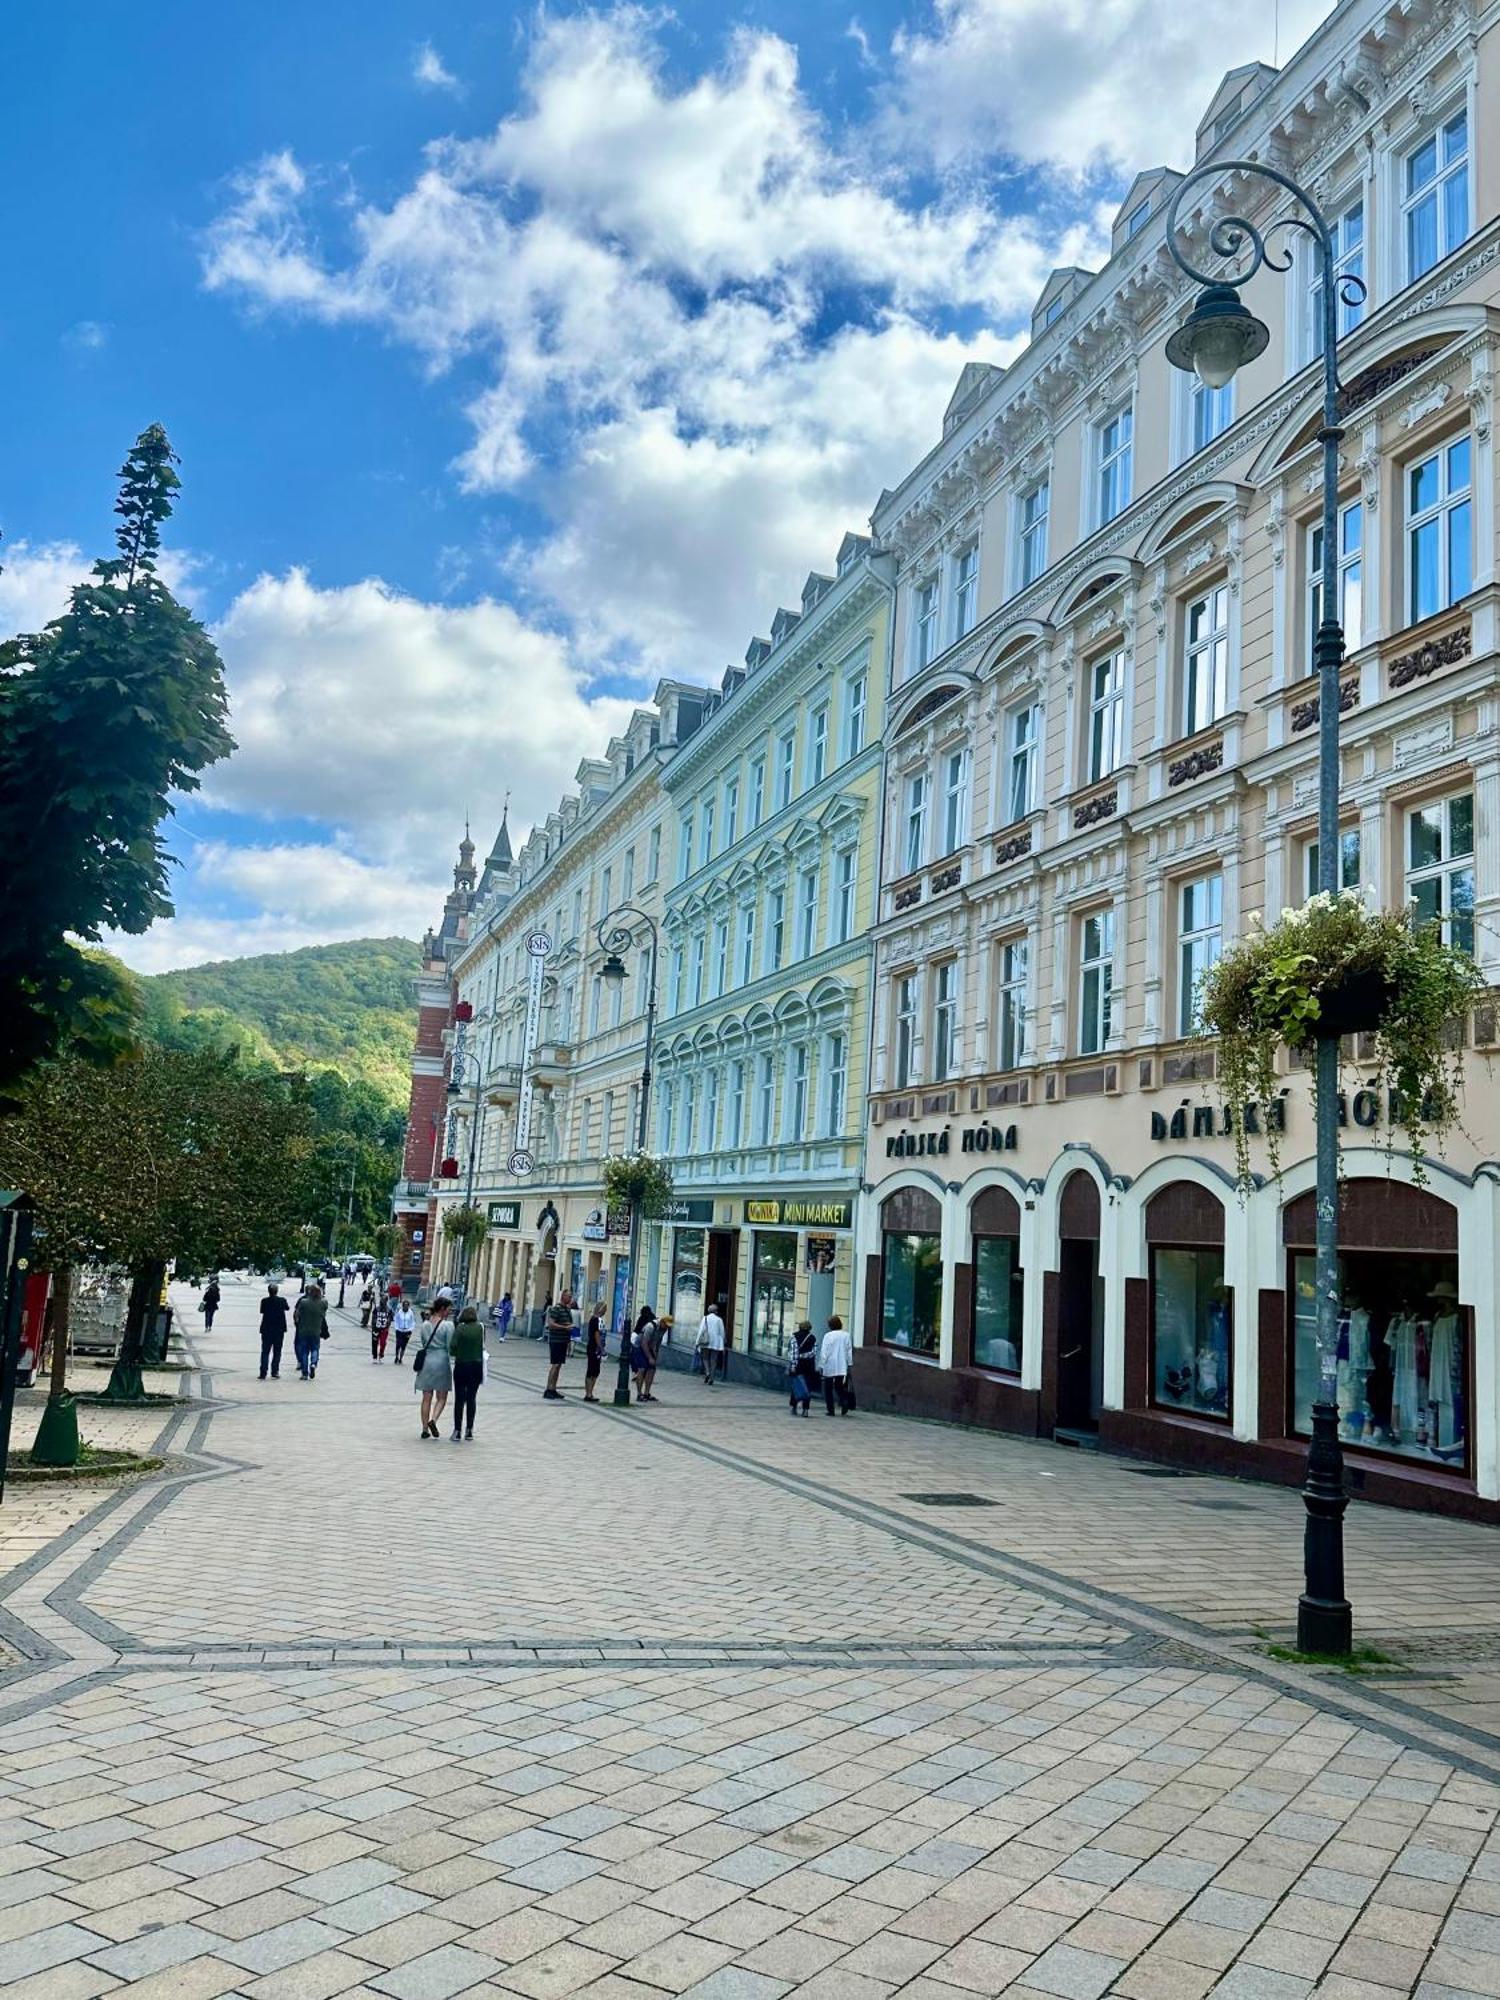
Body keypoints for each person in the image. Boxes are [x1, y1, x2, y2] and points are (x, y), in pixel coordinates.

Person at [415, 1289, 455, 1437]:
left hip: (427, 1361)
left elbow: (424, 1342)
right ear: (442, 1309)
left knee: (426, 1397)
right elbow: (450, 1346)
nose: (449, 1312)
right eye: (449, 1309)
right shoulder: (448, 1326)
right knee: (442, 1397)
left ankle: (424, 1429)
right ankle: (434, 1419)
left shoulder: (425, 1324)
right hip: (441, 1361)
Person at [449, 1304, 485, 1442]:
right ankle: (469, 1430)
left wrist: (456, 1353)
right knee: (471, 1398)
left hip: (462, 1365)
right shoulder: (481, 1328)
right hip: (477, 1366)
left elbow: (453, 1346)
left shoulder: (460, 1328)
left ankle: (457, 1431)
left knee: (459, 1399)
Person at [543, 1290, 576, 1400]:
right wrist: (564, 1327)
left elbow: (563, 1322)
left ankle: (553, 1388)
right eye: (568, 1296)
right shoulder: (556, 1308)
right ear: (563, 1297)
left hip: (563, 1340)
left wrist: (569, 1326)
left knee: (559, 1365)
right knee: (555, 1365)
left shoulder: (567, 1309)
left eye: (571, 1296)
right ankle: (548, 1389)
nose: (570, 1298)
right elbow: (551, 1324)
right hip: (556, 1340)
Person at [820, 1314, 854, 1417]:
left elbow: (824, 1352)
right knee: (839, 1386)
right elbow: (849, 1351)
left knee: (828, 1388)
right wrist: (849, 1364)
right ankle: (844, 1401)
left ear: (830, 1325)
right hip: (841, 1364)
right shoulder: (846, 1335)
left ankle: (831, 1410)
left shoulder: (828, 1336)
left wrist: (821, 1364)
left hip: (830, 1364)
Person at [293, 1283, 328, 1380]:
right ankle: (313, 1363)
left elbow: (296, 1314)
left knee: (304, 1351)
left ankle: (304, 1373)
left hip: (303, 1330)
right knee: (315, 1349)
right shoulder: (323, 1302)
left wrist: (297, 1323)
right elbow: (324, 1313)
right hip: (316, 1330)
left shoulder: (304, 1302)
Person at [258, 1282, 290, 1380]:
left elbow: (262, 1311)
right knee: (277, 1351)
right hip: (279, 1329)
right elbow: (287, 1308)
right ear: (277, 1291)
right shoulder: (282, 1300)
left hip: (267, 1328)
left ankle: (263, 1372)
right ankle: (275, 1371)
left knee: (265, 1351)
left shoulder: (264, 1301)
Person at [789, 1320, 817, 1417]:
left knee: (796, 1386)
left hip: (798, 1365)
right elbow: (813, 1352)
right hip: (809, 1365)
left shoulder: (794, 1337)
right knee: (807, 1388)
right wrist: (805, 1355)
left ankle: (794, 1407)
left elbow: (794, 1353)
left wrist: (793, 1365)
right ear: (809, 1328)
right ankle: (805, 1410)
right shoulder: (813, 1338)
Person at [696, 1300, 726, 1387]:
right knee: (714, 1360)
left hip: (706, 1341)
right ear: (716, 1311)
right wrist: (723, 1342)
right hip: (716, 1342)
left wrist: (697, 1341)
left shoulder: (705, 1318)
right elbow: (722, 1332)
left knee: (705, 1358)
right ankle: (712, 1378)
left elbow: (701, 1330)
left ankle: (707, 1372)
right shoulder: (719, 1320)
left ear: (709, 1310)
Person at [584, 1301, 605, 1402]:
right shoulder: (595, 1320)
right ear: (600, 1309)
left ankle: (590, 1392)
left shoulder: (595, 1319)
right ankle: (588, 1393)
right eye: (604, 1309)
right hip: (594, 1348)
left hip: (593, 1347)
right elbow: (597, 1335)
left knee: (595, 1371)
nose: (605, 1311)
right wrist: (601, 1347)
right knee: (592, 1370)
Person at [392, 1296, 416, 1365]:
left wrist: (410, 1330)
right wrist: (397, 1328)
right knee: (398, 1344)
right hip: (399, 1330)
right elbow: (396, 1320)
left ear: (408, 1306)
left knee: (403, 1345)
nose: (405, 1307)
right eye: (404, 1305)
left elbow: (413, 1322)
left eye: (407, 1306)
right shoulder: (399, 1312)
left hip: (407, 1331)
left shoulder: (410, 1313)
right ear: (402, 1306)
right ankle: (396, 1356)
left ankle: (401, 1358)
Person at [370, 1294, 392, 1362]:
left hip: (384, 1329)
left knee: (383, 1343)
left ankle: (381, 1355)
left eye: (384, 1300)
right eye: (381, 1300)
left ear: (386, 1301)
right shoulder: (376, 1309)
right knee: (375, 1343)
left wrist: (388, 1325)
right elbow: (373, 1317)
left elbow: (390, 1318)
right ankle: (374, 1356)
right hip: (376, 1328)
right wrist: (373, 1326)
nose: (382, 1301)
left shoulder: (389, 1310)